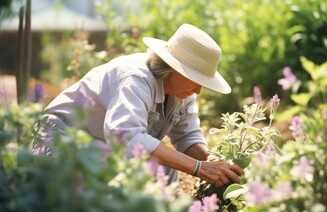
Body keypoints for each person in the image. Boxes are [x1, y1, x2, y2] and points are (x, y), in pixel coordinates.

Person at [31, 23, 244, 186]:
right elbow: (125, 138)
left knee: (164, 166)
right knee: (156, 166)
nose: (198, 90)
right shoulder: (135, 78)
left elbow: (187, 137)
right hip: (61, 138)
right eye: (196, 80)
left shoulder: (183, 90)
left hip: (98, 145)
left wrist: (216, 163)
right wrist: (199, 168)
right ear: (175, 69)